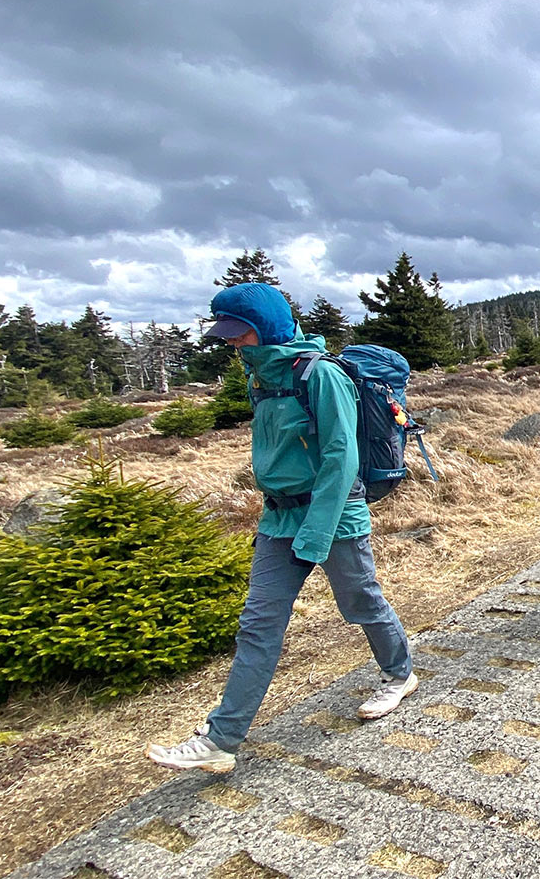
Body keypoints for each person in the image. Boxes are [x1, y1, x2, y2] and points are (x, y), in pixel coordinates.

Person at [147, 282, 416, 773]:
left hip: (333, 515)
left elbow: (341, 458)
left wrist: (315, 533)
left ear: (265, 327)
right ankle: (222, 739)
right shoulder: (261, 378)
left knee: (359, 602)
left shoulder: (322, 376)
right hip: (278, 518)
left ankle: (400, 673)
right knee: (259, 624)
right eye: (226, 335)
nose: (232, 344)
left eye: (239, 334)